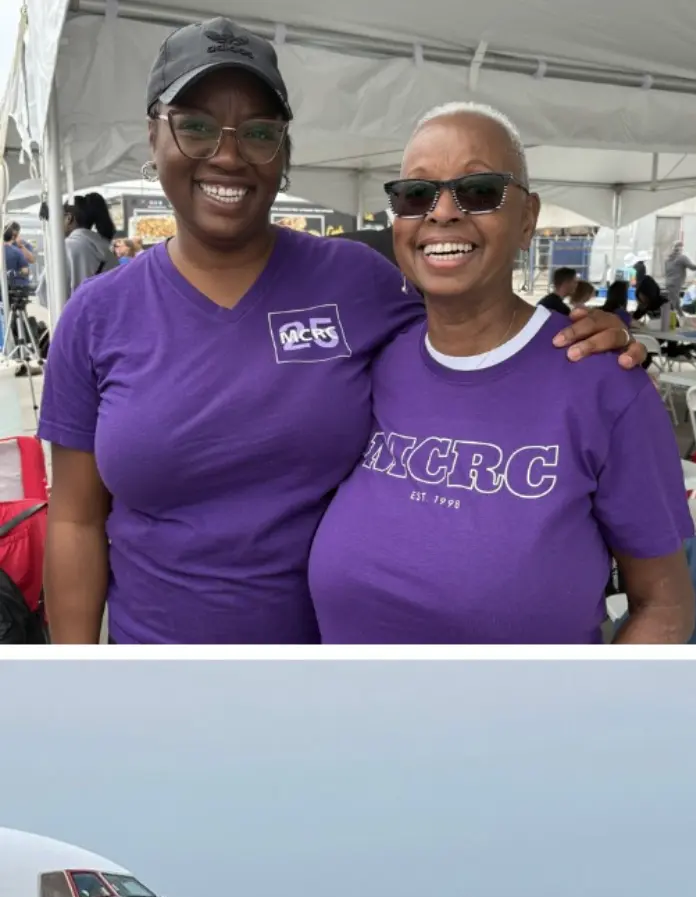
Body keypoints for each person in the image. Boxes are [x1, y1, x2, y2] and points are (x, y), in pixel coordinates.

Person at [39, 21, 645, 645]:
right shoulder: (96, 316)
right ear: (153, 134)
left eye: (258, 132)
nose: (228, 154)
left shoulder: (357, 282)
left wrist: (584, 338)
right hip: (157, 679)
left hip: (340, 672)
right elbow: (77, 523)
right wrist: (76, 681)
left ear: (284, 150)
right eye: (194, 125)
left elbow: (473, 345)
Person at [308, 105, 695, 644]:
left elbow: (665, 605)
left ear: (528, 218)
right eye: (417, 194)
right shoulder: (375, 361)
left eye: (480, 189)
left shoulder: (602, 381)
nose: (442, 212)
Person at [65, 192, 121, 291]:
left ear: (69, 218)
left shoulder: (66, 247)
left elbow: (44, 292)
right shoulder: (107, 250)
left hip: (74, 306)